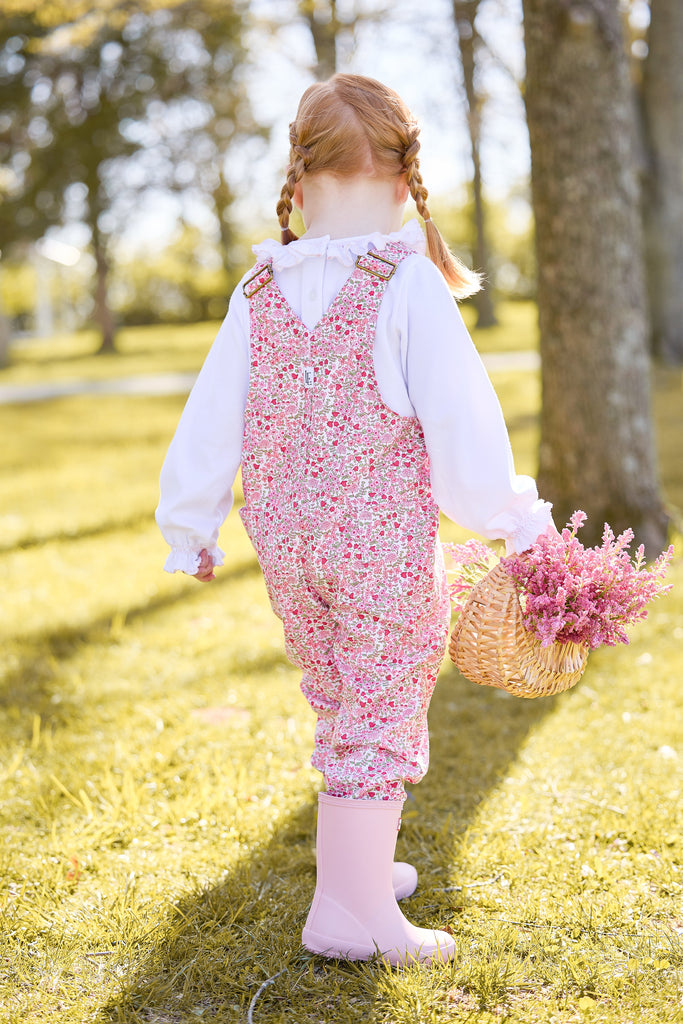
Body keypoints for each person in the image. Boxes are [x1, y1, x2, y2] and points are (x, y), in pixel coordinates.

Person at [156, 73, 553, 967]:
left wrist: (190, 526)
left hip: (288, 548)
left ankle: (357, 873)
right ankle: (352, 914)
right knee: (382, 700)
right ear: (407, 179)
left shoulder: (257, 291)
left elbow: (209, 418)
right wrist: (507, 517)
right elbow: (461, 422)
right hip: (376, 547)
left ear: (298, 180)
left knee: (340, 691)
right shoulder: (403, 283)